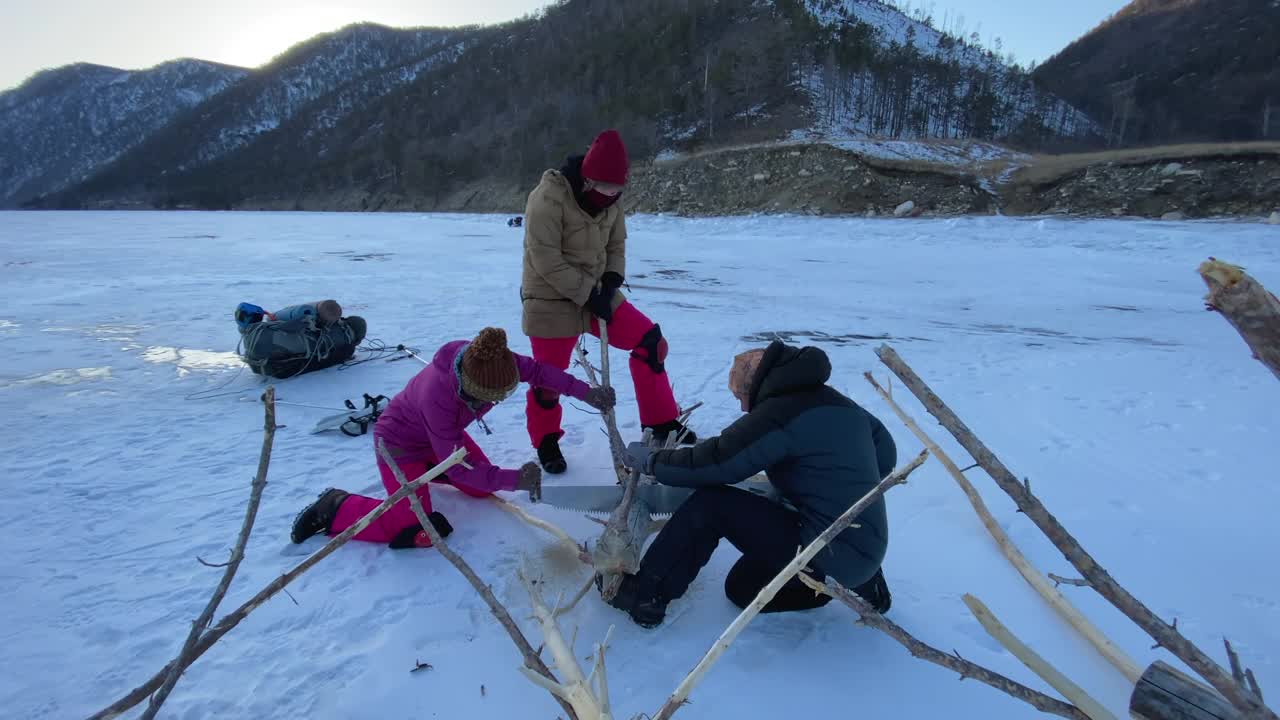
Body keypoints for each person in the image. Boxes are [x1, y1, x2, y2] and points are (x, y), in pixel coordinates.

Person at [607, 340, 897, 628]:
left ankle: (645, 596)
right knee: (743, 588)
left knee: (712, 505)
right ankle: (861, 583)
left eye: (740, 396)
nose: (744, 407)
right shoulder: (837, 402)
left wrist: (653, 462)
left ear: (754, 386)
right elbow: (885, 454)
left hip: (826, 548)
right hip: (863, 547)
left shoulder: (781, 412)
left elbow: (717, 462)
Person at [290, 327, 615, 549]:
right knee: (419, 528)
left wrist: (587, 393)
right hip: (400, 447)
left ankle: (429, 474)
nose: (497, 401)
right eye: (490, 397)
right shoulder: (438, 397)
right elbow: (459, 467)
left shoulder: (498, 361)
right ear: (466, 384)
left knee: (480, 488)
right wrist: (516, 479)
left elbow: (542, 373)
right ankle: (335, 507)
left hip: (443, 441)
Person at [520, 128, 695, 475]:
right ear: (587, 179)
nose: (613, 196)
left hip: (598, 293)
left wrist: (612, 279)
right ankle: (546, 440)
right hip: (550, 297)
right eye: (606, 189)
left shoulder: (612, 201)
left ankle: (661, 422)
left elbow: (616, 245)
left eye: (619, 190)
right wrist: (588, 293)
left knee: (651, 343)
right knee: (548, 379)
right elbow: (545, 259)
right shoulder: (547, 199)